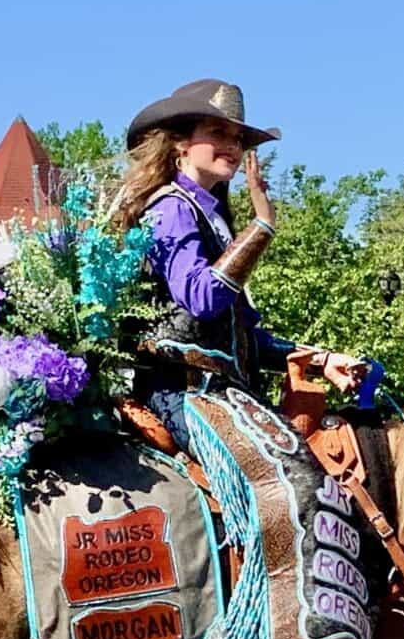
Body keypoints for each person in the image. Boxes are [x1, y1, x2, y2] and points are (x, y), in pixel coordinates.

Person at [118, 78, 366, 445]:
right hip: (179, 397)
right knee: (292, 479)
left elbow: (241, 342)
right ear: (180, 142)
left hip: (223, 398)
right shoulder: (170, 208)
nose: (232, 146)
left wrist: (321, 360)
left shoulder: (211, 217)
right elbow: (202, 299)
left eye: (237, 139)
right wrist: (261, 227)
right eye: (218, 132)